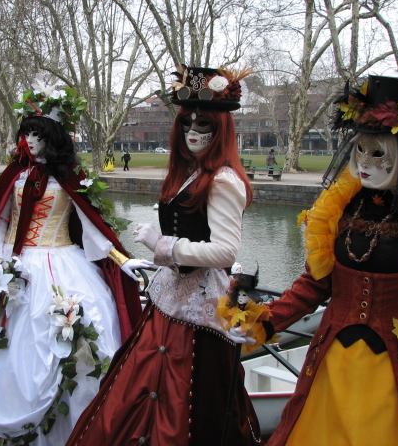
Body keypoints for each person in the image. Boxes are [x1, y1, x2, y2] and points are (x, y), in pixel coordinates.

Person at [0, 83, 149, 446]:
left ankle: (73, 429)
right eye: (26, 132)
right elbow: (1, 222)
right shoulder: (14, 175)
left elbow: (93, 226)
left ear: (53, 137)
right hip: (13, 262)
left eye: (37, 134)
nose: (30, 140)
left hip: (61, 262)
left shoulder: (71, 177)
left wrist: (120, 258)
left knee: (68, 342)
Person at [66, 65, 263, 446]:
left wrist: (162, 244)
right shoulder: (194, 172)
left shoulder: (223, 180)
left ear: (220, 130)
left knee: (192, 399)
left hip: (202, 306)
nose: (193, 133)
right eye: (187, 125)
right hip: (171, 295)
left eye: (203, 126)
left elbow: (225, 250)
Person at [265, 70, 398, 446]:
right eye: (360, 149)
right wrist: (265, 322)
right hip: (333, 365)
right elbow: (315, 283)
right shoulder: (340, 207)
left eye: (378, 153)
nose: (365, 162)